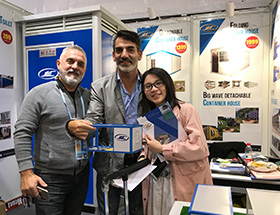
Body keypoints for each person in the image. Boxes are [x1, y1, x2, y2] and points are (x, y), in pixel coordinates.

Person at [67, 30, 143, 215]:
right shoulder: (99, 86)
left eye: (130, 50)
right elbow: (94, 119)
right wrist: (80, 128)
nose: (124, 55)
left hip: (142, 163)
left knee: (139, 210)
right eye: (119, 50)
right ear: (114, 56)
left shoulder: (151, 84)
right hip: (109, 164)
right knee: (108, 212)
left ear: (139, 54)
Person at [14, 45, 91, 215]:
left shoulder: (88, 96)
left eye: (80, 64)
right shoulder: (39, 94)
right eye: (70, 61)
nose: (75, 67)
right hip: (50, 178)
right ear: (58, 64)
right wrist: (26, 173)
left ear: (85, 69)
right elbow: (22, 132)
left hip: (81, 174)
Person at [140, 67, 213, 215]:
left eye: (158, 83)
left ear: (167, 84)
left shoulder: (186, 110)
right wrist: (143, 156)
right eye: (148, 86)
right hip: (156, 180)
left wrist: (162, 150)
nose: (153, 89)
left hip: (180, 182)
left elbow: (199, 148)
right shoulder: (148, 118)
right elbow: (147, 147)